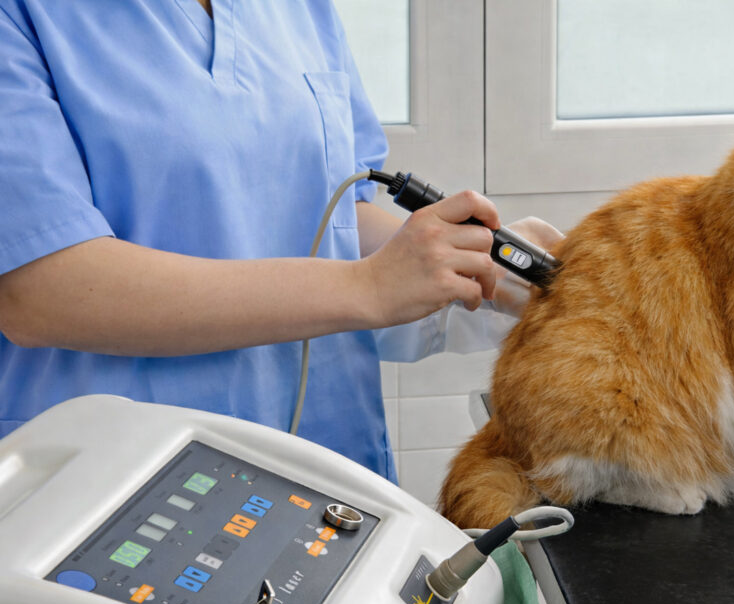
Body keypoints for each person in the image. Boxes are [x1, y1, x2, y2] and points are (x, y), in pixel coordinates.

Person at [0, 1, 561, 482]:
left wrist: (472, 270)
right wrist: (367, 287)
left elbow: (331, 214)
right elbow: (42, 289)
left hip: (325, 455)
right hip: (117, 477)